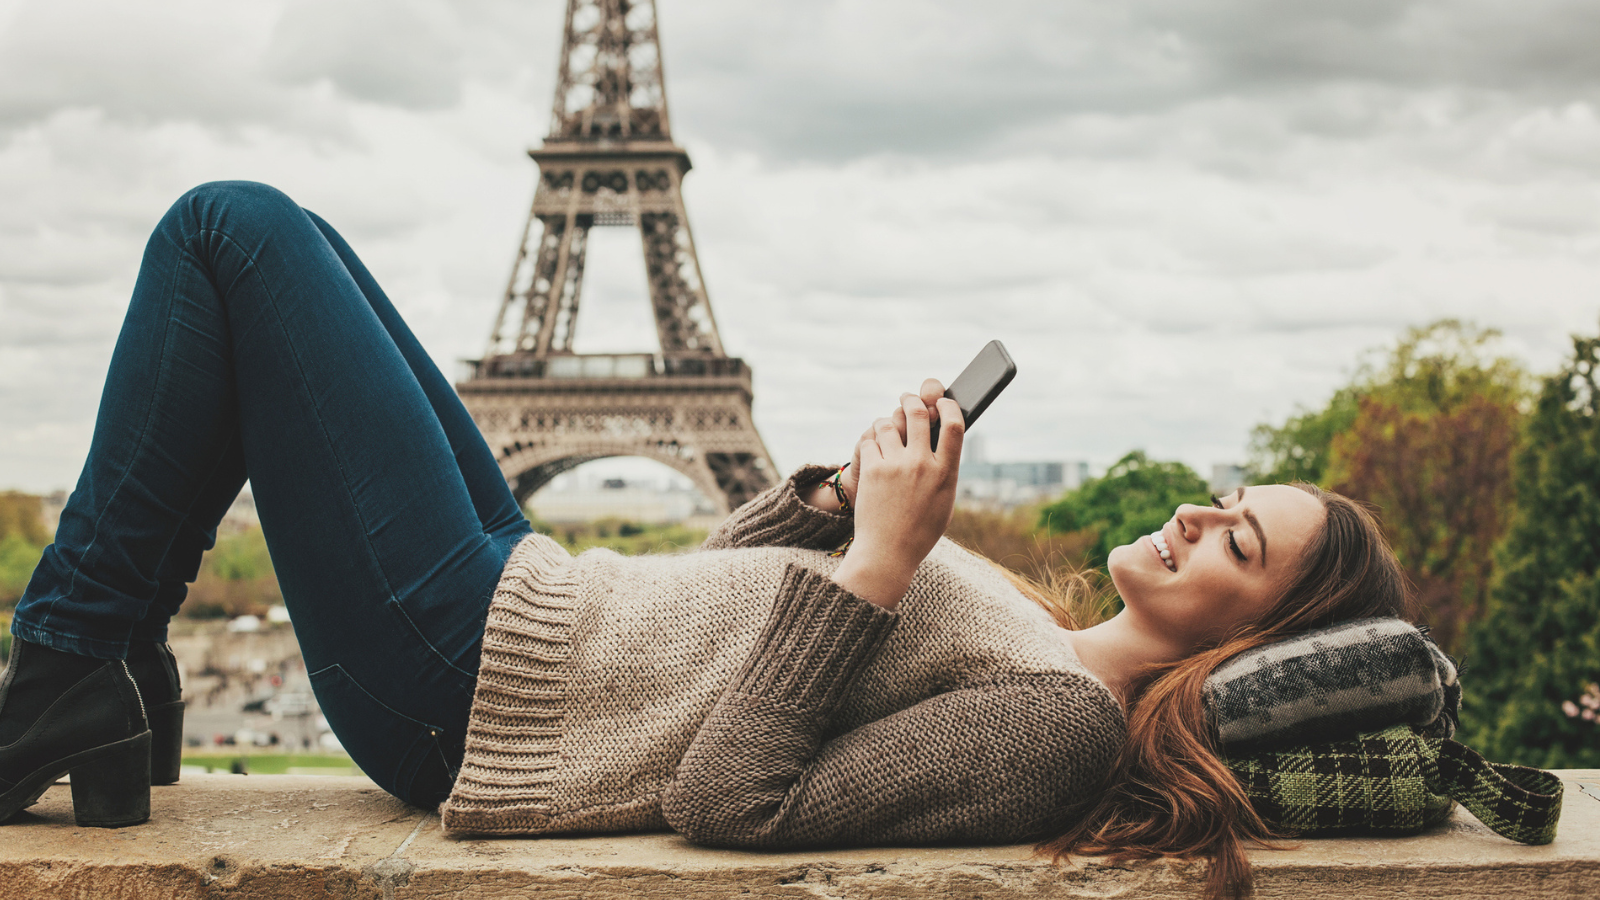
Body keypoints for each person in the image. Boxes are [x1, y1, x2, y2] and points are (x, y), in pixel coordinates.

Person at [0, 182, 1410, 899]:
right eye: (1227, 496)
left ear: (1250, 636)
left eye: (1239, 541)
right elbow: (716, 626)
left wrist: (880, 567)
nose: (1195, 513)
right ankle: (109, 671)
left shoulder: (1066, 728)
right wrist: (829, 514)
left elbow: (737, 797)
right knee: (284, 233)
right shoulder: (1040, 638)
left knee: (226, 232)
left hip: (470, 692)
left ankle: (73, 657)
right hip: (537, 602)